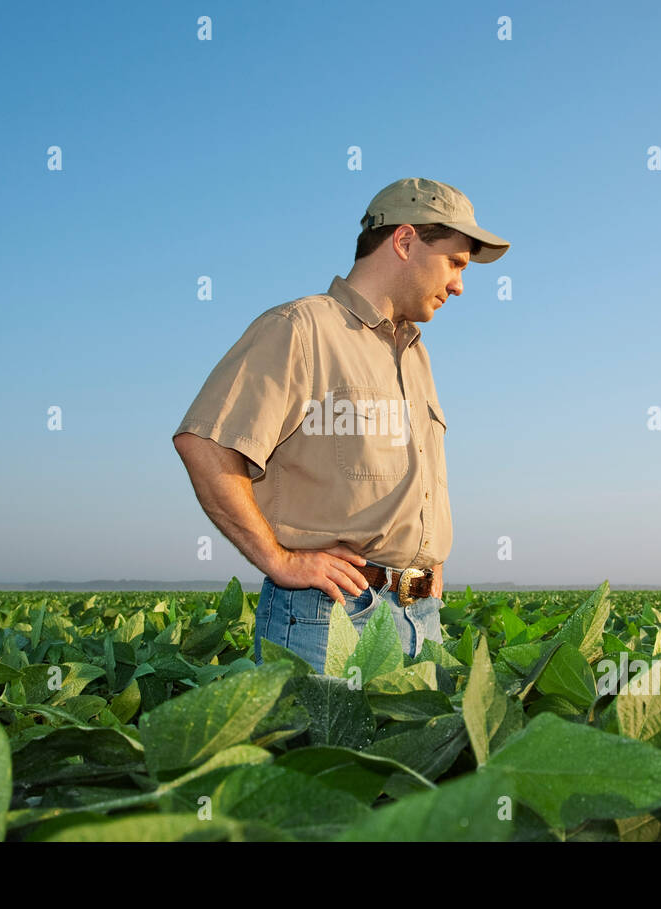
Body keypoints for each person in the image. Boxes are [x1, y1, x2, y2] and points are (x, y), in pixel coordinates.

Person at [171, 177, 510, 675]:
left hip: (421, 613)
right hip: (330, 616)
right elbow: (204, 443)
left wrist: (427, 559)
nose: (460, 284)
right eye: (456, 262)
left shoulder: (416, 355)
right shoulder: (300, 328)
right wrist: (280, 560)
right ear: (405, 241)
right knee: (326, 753)